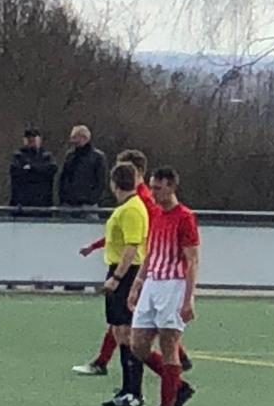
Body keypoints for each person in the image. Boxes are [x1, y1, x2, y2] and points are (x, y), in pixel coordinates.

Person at [74, 150, 193, 376]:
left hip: (145, 267)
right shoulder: (134, 200)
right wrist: (95, 246)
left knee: (130, 323)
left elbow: (137, 237)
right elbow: (122, 233)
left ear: (137, 172)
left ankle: (158, 373)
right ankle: (108, 362)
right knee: (127, 322)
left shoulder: (145, 201)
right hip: (143, 265)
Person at [129, 167, 200, 406]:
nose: (153, 193)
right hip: (152, 282)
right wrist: (138, 283)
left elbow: (192, 260)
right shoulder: (155, 214)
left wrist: (187, 298)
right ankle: (178, 386)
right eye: (152, 187)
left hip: (173, 284)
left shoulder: (185, 217)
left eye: (158, 188)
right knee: (138, 344)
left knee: (169, 345)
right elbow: (151, 252)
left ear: (170, 187)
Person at [99, 163, 150, 406]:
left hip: (127, 272)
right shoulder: (126, 207)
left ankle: (135, 391)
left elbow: (132, 246)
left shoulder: (132, 209)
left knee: (129, 333)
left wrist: (117, 277)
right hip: (118, 269)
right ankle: (127, 387)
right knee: (119, 331)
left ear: (114, 183)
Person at [58, 125, 107, 213]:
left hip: (88, 205)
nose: (72, 140)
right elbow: (63, 177)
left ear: (84, 137)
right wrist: (63, 196)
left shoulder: (97, 157)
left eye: (75, 137)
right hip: (69, 203)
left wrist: (92, 199)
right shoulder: (70, 156)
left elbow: (101, 181)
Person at [9, 128, 57, 209]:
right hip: (21, 203)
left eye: (34, 137)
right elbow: (17, 173)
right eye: (29, 138)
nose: (31, 140)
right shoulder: (18, 156)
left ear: (39, 139)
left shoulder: (47, 157)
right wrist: (38, 171)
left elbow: (51, 170)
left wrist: (31, 168)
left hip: (43, 203)